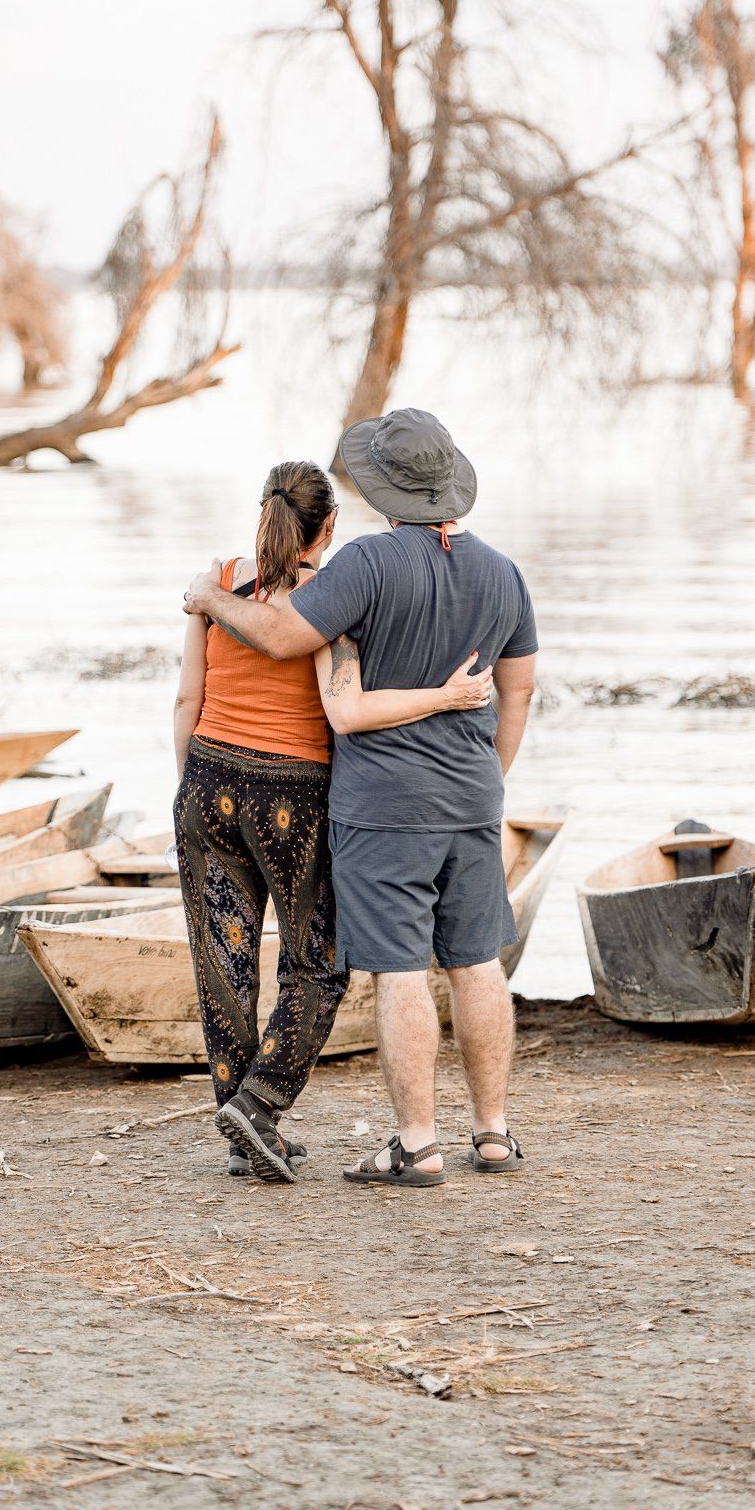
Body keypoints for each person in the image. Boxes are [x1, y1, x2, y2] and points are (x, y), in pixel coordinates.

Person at [184, 410, 538, 1190]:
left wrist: (209, 600)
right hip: (471, 798)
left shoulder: (369, 564)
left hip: (380, 804)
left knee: (401, 970)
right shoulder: (505, 573)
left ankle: (415, 1144)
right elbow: (518, 693)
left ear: (382, 493)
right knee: (478, 962)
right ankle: (492, 1132)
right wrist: (488, 775)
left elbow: (277, 637)